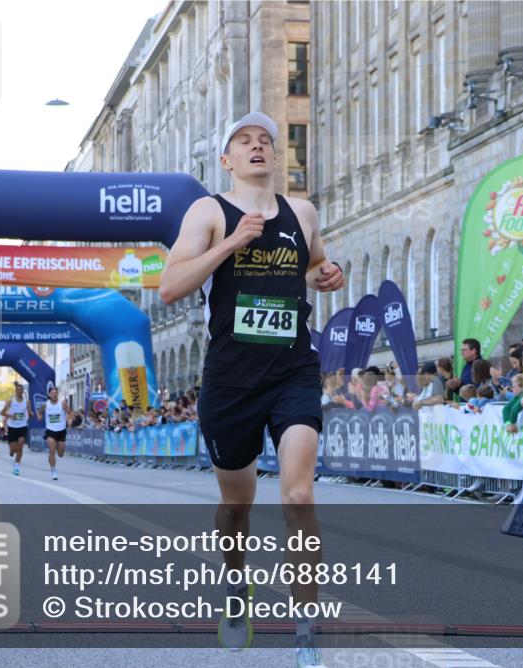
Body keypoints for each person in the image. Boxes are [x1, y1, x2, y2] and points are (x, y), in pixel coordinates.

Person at [157, 111, 343, 666]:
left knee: (298, 495)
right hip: (231, 379)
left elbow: (313, 267)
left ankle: (305, 628)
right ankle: (237, 587)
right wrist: (230, 244)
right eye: (245, 141)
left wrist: (326, 275)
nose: (258, 146)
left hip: (293, 369)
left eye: (266, 140)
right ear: (227, 159)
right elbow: (170, 287)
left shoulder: (302, 212)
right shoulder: (208, 211)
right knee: (236, 507)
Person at [37, 385, 72, 480]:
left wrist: (69, 419)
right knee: (51, 450)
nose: (54, 395)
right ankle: (53, 471)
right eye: (52, 393)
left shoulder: (63, 403)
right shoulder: (45, 404)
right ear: (49, 394)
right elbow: (39, 412)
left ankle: (58, 446)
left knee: (60, 454)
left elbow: (70, 412)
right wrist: (39, 416)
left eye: (56, 393)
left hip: (61, 430)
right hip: (50, 430)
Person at [1, 381, 31, 476]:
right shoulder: (11, 401)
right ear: (15, 391)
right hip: (12, 427)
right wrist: (10, 416)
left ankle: (17, 466)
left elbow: (29, 412)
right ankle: (11, 451)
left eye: (21, 390)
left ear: (23, 391)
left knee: (21, 445)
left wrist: (31, 414)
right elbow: (2, 412)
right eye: (17, 390)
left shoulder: (26, 401)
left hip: (22, 426)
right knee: (13, 450)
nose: (19, 392)